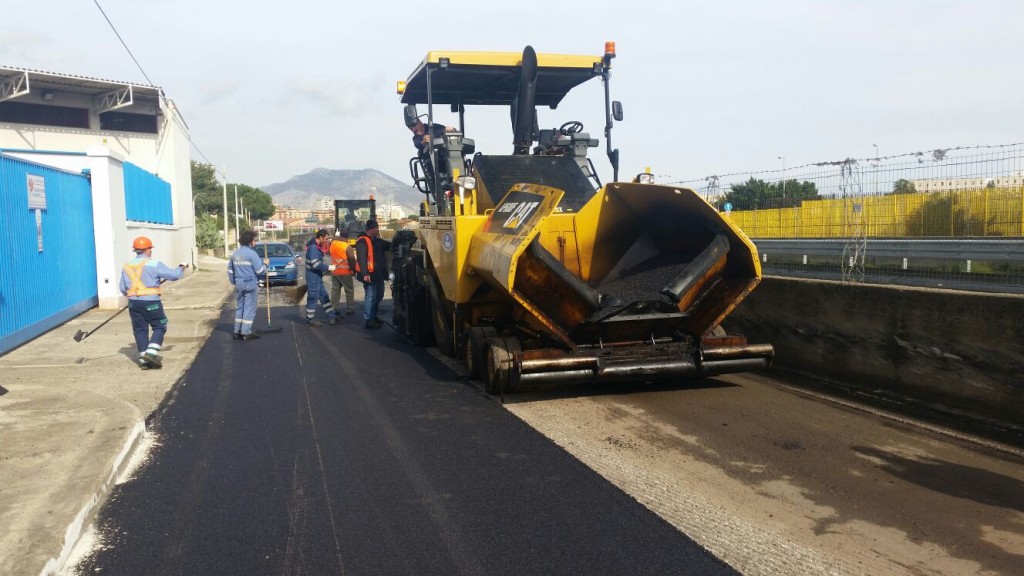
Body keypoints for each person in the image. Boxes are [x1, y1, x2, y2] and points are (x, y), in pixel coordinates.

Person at [118, 236, 187, 369]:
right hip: (151, 302)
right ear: (147, 249)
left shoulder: (127, 266)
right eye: (150, 249)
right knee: (160, 326)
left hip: (133, 303)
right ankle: (151, 353)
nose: (151, 251)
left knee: (140, 329)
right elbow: (174, 275)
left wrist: (135, 294)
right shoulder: (154, 264)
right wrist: (181, 267)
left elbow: (122, 288)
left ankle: (144, 360)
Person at [227, 230, 268, 340]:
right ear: (250, 242)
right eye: (254, 240)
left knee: (240, 307)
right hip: (250, 284)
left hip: (239, 283)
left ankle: (237, 331)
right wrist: (265, 265)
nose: (255, 242)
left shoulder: (235, 254)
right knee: (249, 308)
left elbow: (230, 271)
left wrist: (234, 281)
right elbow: (259, 271)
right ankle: (246, 332)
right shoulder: (252, 254)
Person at [354, 220, 391, 329]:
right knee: (371, 297)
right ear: (373, 228)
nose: (378, 230)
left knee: (379, 295)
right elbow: (361, 259)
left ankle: (373, 316)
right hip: (369, 275)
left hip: (378, 274)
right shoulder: (362, 241)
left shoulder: (376, 240)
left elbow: (388, 245)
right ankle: (369, 320)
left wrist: (398, 242)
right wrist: (365, 274)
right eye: (377, 228)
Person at [304, 229, 340, 327]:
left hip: (316, 275)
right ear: (320, 237)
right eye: (326, 238)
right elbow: (315, 264)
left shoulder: (316, 246)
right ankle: (310, 320)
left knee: (324, 296)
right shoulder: (313, 248)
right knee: (313, 297)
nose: (327, 240)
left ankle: (331, 317)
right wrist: (329, 267)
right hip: (312, 276)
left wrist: (325, 269)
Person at [329, 228, 357, 318]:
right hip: (345, 272)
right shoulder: (347, 246)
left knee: (335, 290)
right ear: (347, 236)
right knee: (349, 291)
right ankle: (350, 309)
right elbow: (352, 261)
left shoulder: (333, 243)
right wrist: (354, 270)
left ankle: (334, 308)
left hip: (334, 271)